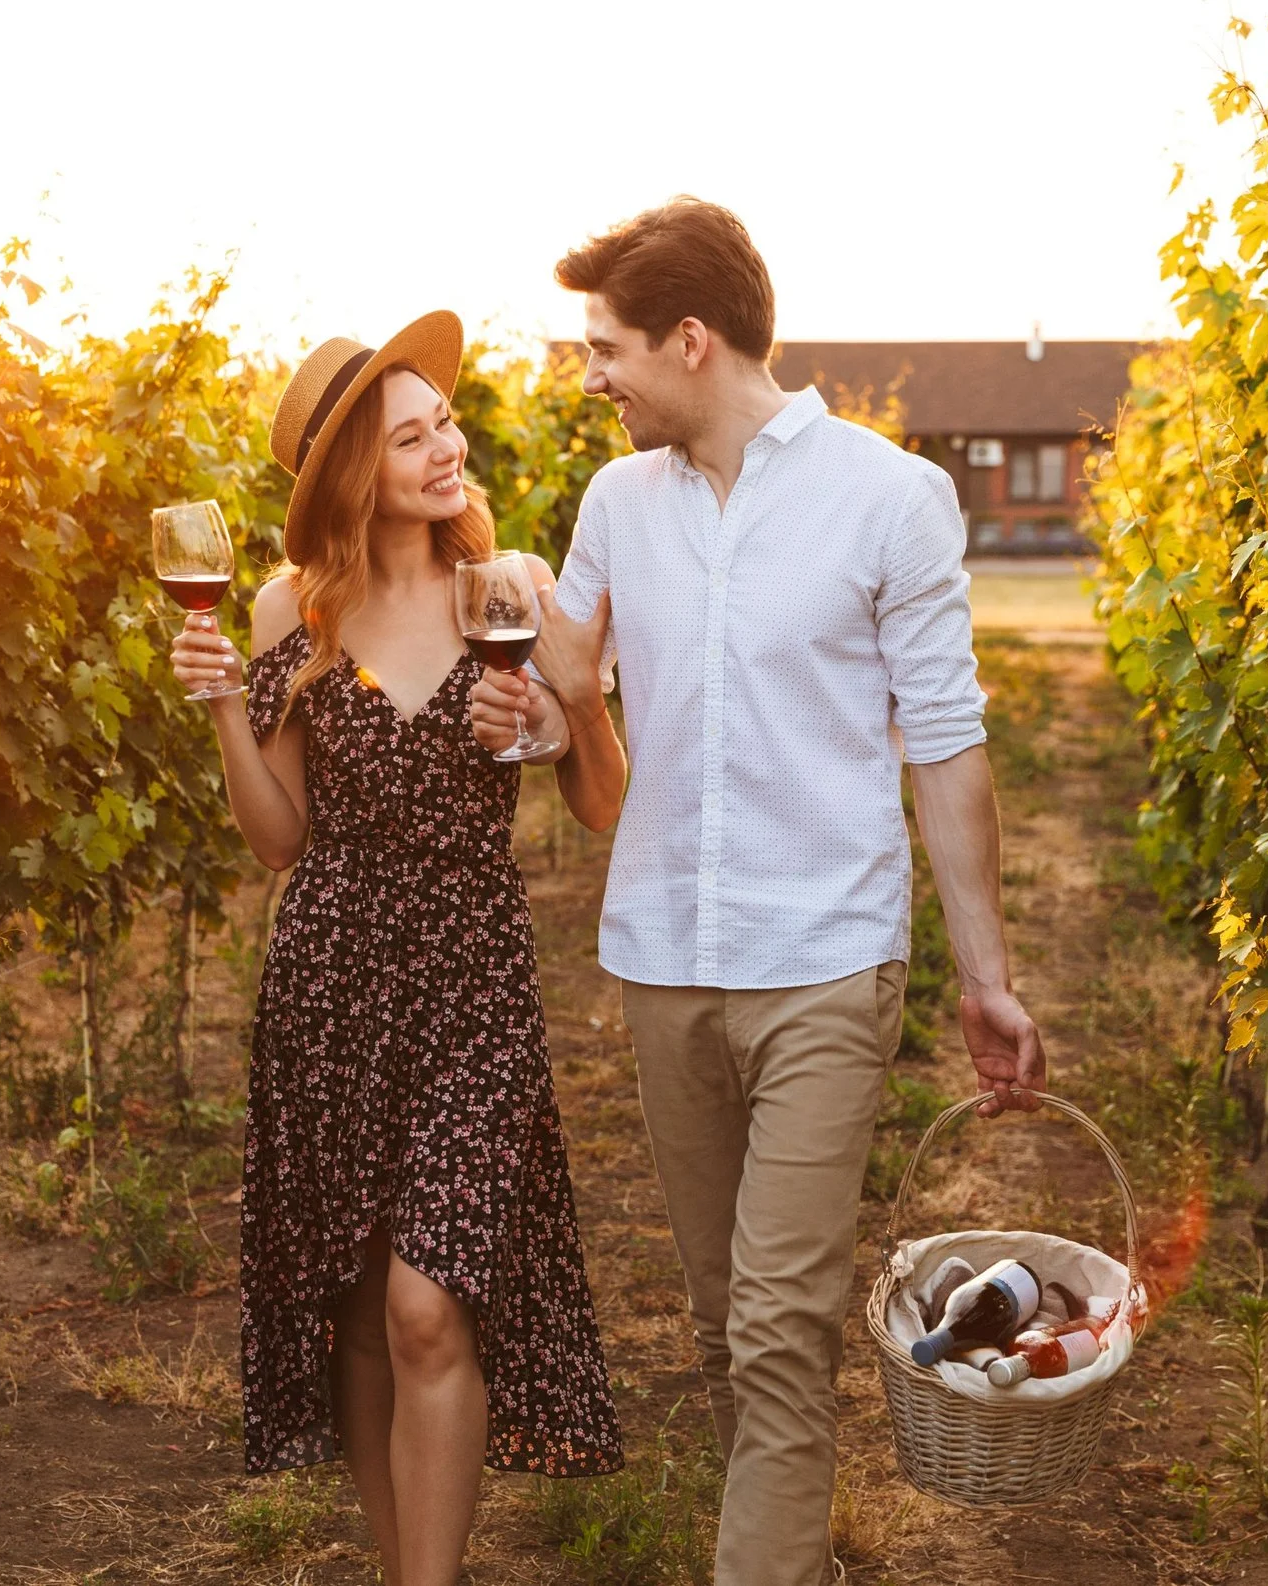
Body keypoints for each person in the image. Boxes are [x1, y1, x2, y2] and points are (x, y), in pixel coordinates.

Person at [470, 200, 1049, 1586]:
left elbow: (948, 744)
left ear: (690, 338)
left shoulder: (888, 497)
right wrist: (531, 702)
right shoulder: (617, 502)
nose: (589, 376)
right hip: (665, 953)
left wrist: (984, 973)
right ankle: (792, 1549)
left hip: (825, 961)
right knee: (731, 1321)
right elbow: (580, 704)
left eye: (604, 348)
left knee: (782, 1322)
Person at [170, 311, 622, 1586]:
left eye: (446, 423)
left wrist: (547, 715)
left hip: (472, 976)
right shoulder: (288, 611)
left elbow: (599, 795)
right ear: (353, 475)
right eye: (412, 434)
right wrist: (221, 705)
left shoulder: (511, 590)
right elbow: (277, 840)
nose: (449, 448)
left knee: (430, 1304)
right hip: (330, 979)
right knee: (365, 1316)